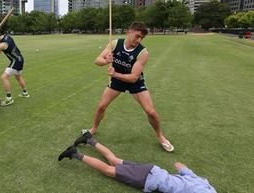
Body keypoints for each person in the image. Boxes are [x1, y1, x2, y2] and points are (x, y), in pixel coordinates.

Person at [88, 21, 174, 152]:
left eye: (142, 38)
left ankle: (160, 136)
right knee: (101, 106)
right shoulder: (115, 44)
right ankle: (93, 128)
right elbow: (97, 60)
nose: (139, 40)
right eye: (137, 36)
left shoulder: (143, 53)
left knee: (151, 112)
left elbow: (133, 77)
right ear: (129, 32)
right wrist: (106, 61)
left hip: (135, 82)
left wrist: (115, 73)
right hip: (117, 81)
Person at [58, 132, 217, 193]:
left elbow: (180, 166)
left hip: (154, 170)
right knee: (108, 170)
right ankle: (74, 153)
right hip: (149, 178)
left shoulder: (206, 184)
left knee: (114, 160)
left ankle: (89, 139)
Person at [0, 29, 30, 106]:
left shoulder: (2, 45)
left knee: (4, 77)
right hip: (20, 59)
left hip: (15, 61)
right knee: (18, 77)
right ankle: (25, 93)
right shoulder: (7, 36)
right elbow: (0, 46)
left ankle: (9, 99)